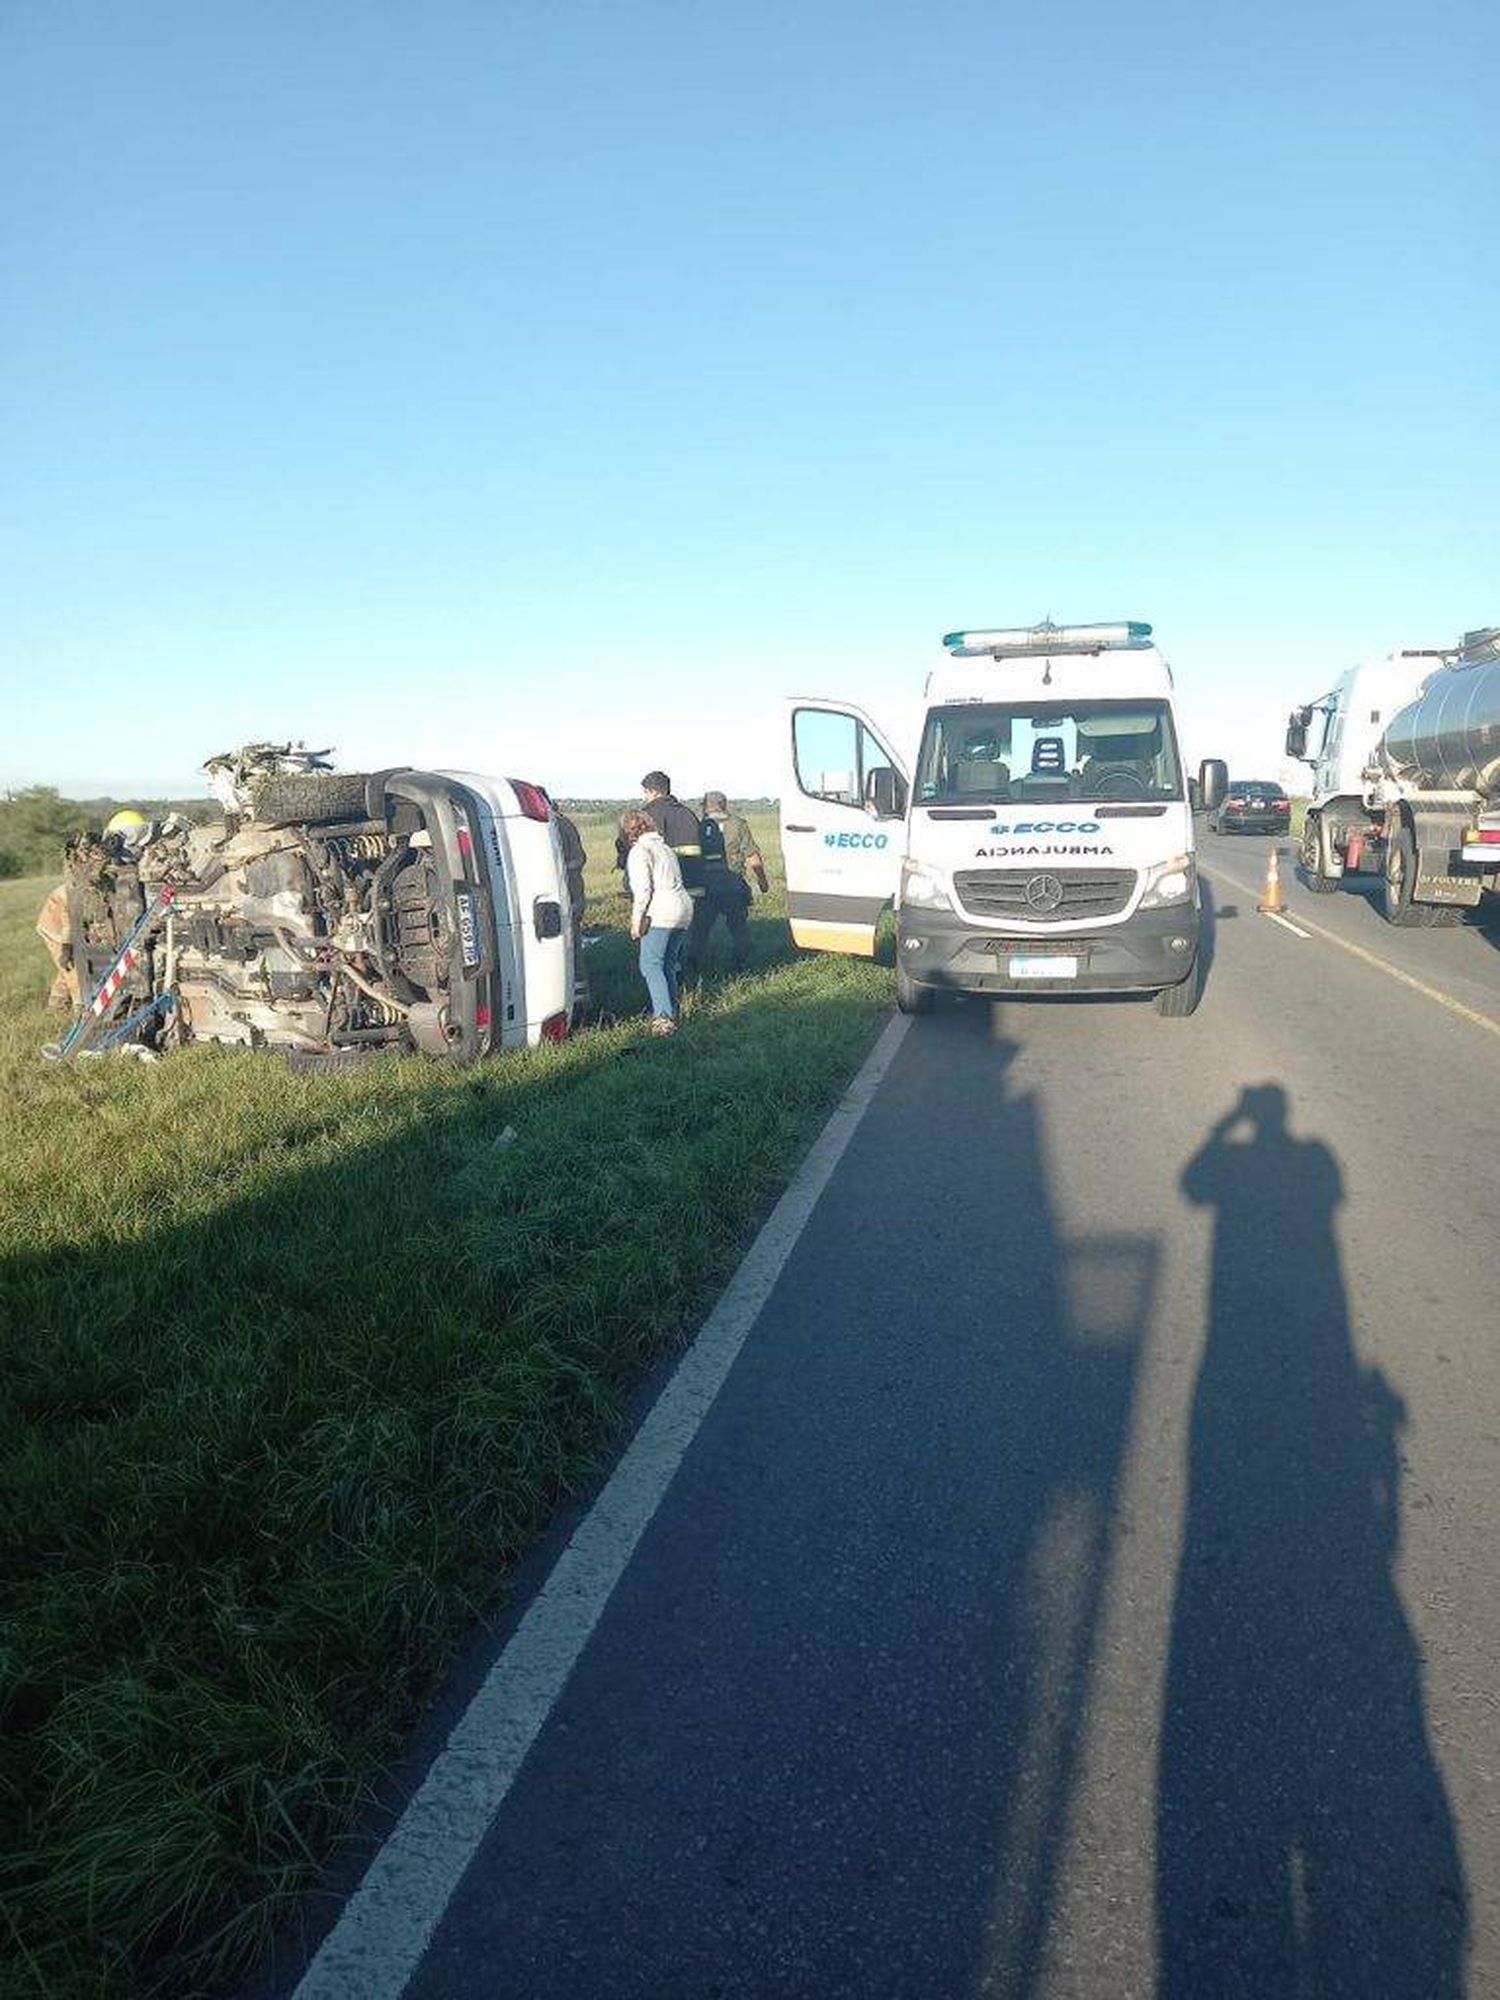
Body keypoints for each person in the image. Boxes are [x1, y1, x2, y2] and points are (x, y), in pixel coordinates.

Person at [620, 807, 693, 1033]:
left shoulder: (640, 852)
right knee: (668, 965)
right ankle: (672, 1011)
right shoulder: (665, 848)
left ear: (628, 832)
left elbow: (643, 891)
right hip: (683, 908)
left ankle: (663, 1019)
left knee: (650, 965)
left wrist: (636, 922)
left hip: (661, 912)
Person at [688, 791, 769, 974]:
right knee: (738, 929)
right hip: (733, 885)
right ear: (724, 804)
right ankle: (739, 967)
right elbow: (753, 857)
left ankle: (692, 967)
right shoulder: (739, 824)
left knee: (699, 931)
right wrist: (762, 882)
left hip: (707, 886)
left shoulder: (699, 826)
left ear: (705, 805)